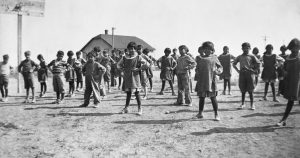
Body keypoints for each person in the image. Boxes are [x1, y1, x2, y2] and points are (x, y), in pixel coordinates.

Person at [194, 41, 223, 121]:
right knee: (201, 97)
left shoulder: (214, 57)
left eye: (209, 49)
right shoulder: (200, 58)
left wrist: (218, 71)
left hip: (211, 81)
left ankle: (216, 114)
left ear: (212, 50)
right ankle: (200, 113)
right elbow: (197, 68)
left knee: (213, 97)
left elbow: (220, 67)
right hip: (202, 81)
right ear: (203, 50)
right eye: (205, 49)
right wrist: (197, 72)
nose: (207, 50)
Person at [117, 42, 146, 115]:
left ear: (135, 49)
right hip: (127, 77)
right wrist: (122, 70)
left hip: (135, 77)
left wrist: (138, 69)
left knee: (137, 93)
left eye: (133, 48)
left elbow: (146, 64)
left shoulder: (138, 56)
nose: (131, 50)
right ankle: (126, 108)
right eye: (130, 49)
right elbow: (118, 65)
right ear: (128, 49)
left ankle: (140, 108)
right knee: (128, 93)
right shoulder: (124, 57)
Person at [277, 38, 300, 126]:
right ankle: (284, 120)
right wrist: (282, 69)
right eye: (293, 47)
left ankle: (283, 119)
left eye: (297, 47)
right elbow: (285, 69)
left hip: (298, 82)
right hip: (291, 82)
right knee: (290, 101)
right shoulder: (288, 57)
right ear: (290, 48)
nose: (295, 49)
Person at [233, 43, 260, 110]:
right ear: (242, 49)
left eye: (247, 48)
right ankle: (242, 104)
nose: (245, 49)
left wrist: (253, 70)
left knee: (250, 90)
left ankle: (252, 104)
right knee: (243, 90)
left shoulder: (252, 56)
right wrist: (238, 71)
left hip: (250, 75)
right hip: (242, 74)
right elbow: (234, 64)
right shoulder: (240, 56)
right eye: (244, 48)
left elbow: (258, 63)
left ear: (249, 48)